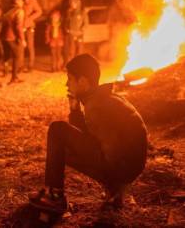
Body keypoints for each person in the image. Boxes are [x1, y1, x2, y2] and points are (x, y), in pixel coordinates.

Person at [29, 54, 148, 213]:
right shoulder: (103, 97)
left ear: (83, 82)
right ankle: (114, 191)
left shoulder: (97, 106)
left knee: (58, 129)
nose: (66, 84)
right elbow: (87, 135)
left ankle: (54, 196)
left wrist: (115, 181)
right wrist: (75, 111)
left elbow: (110, 152)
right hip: (128, 167)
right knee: (64, 148)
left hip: (121, 168)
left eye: (70, 79)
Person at [15, 0, 42, 72]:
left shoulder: (32, 0)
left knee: (30, 46)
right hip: (20, 26)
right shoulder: (16, 0)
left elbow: (39, 11)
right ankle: (20, 66)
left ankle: (31, 66)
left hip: (29, 27)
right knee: (21, 47)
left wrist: (30, 18)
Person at [3, 0, 26, 84]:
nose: (23, 3)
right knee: (17, 56)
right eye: (21, 1)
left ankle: (13, 76)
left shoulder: (9, 11)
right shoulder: (20, 11)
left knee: (8, 56)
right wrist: (22, 39)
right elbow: (18, 27)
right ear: (19, 1)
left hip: (6, 37)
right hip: (12, 37)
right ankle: (14, 78)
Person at [64, 0, 84, 66]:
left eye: (73, 3)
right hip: (71, 34)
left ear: (77, 3)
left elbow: (86, 23)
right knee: (71, 50)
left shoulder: (82, 12)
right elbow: (66, 22)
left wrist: (81, 30)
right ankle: (72, 65)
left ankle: (80, 64)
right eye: (71, 3)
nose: (72, 5)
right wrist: (67, 29)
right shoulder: (69, 12)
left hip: (79, 34)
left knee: (79, 50)